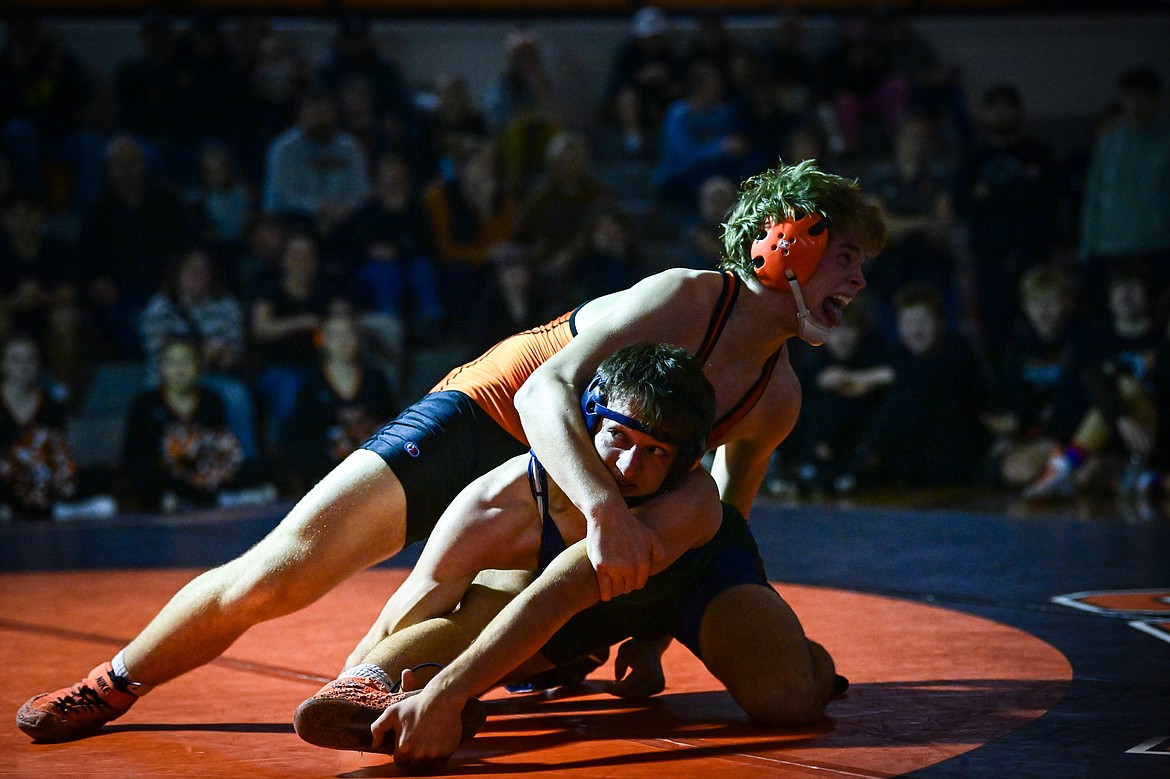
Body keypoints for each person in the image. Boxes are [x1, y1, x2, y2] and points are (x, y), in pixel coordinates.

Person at [16, 159, 885, 744]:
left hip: (592, 475)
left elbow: (727, 513)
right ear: (786, 239)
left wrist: (661, 612)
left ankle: (439, 676)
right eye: (844, 256)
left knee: (564, 593)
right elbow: (549, 392)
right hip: (491, 416)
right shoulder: (686, 297)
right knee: (280, 569)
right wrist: (605, 511)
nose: (855, 281)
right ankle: (114, 680)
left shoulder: (776, 393)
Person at [291, 341, 741, 749]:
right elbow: (421, 598)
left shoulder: (693, 499)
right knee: (487, 607)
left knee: (786, 697)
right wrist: (356, 675)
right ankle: (376, 683)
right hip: (561, 616)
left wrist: (446, 696)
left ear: (684, 463)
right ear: (587, 425)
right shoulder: (498, 502)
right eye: (617, 437)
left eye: (655, 452)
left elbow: (563, 592)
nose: (628, 466)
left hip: (680, 591)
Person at [1024, 261, 1164, 499]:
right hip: (1110, 433)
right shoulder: (1096, 339)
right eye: (1119, 288)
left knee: (1125, 386)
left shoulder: (1162, 339)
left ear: (1149, 295)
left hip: (1151, 430)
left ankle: (1066, 467)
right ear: (1108, 299)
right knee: (1086, 477)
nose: (1126, 295)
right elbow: (1093, 381)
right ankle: (1137, 479)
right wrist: (1120, 417)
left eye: (1134, 287)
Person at [1078, 66, 1170, 316]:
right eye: (1130, 98)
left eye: (1143, 98)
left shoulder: (1165, 141)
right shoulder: (1109, 143)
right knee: (1106, 317)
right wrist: (1086, 247)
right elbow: (1094, 196)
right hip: (1107, 249)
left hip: (1155, 246)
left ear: (1157, 100)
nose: (1136, 105)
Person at [277, 312, 395, 494]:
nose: (342, 341)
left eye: (348, 334)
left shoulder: (375, 379)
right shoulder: (311, 384)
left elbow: (392, 422)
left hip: (373, 468)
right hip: (327, 474)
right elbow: (298, 435)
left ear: (358, 339)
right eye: (334, 335)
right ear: (322, 340)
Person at [261, 88, 370, 239]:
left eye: (324, 113)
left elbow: (361, 191)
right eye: (313, 113)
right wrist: (318, 209)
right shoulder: (284, 149)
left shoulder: (351, 148)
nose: (319, 120)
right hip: (294, 221)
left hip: (343, 219)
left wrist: (342, 210)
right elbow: (283, 196)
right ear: (300, 116)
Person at [0, 332, 76, 521]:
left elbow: (60, 453)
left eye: (30, 359)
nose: (23, 366)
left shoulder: (52, 407)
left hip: (38, 481)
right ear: (3, 364)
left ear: (38, 364)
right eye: (15, 359)